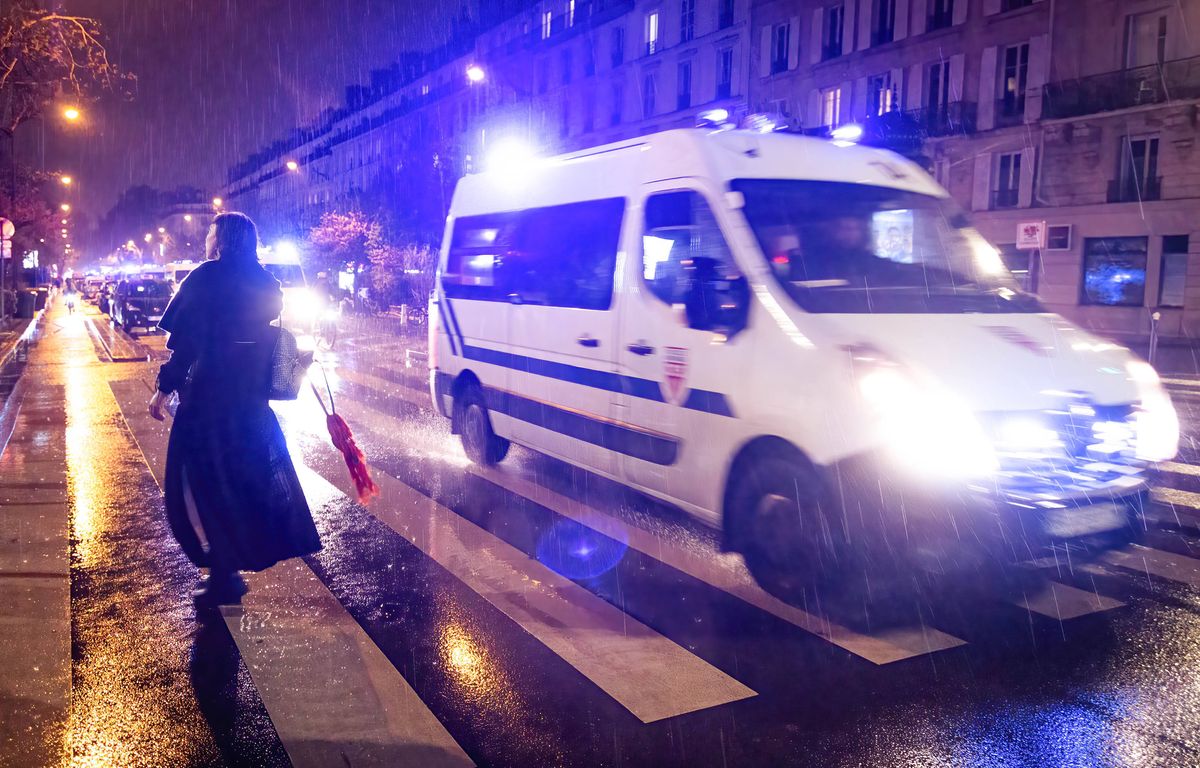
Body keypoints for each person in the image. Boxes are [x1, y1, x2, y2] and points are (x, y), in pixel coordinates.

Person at [149, 212, 320, 610]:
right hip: (250, 406)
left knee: (196, 482)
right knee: (242, 484)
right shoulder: (265, 283)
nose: (207, 240)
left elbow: (187, 343)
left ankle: (223, 572)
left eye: (211, 233)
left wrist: (163, 389)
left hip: (208, 402)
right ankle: (231, 566)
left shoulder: (206, 277)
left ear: (220, 240)